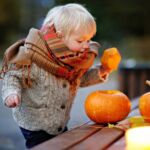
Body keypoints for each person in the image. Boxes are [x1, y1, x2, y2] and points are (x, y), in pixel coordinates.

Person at [1, 3, 111, 149]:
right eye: (80, 41)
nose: (86, 46)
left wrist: (99, 73)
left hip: (59, 123)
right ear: (60, 37)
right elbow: (13, 76)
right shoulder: (36, 58)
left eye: (89, 40)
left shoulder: (73, 60)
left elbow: (78, 79)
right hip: (35, 124)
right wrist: (11, 93)